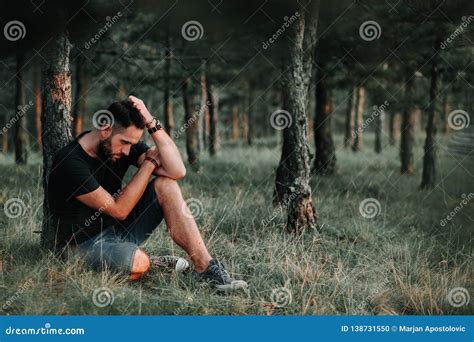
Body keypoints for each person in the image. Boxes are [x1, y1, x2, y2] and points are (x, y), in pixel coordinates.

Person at [47, 95, 247, 291]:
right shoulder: (70, 162)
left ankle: (206, 269)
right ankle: (150, 262)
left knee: (166, 185)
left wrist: (152, 122)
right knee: (140, 264)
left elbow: (177, 171)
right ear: (105, 129)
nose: (127, 151)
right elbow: (119, 210)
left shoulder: (121, 145)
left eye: (132, 145)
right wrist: (149, 163)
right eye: (125, 143)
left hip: (116, 232)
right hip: (82, 247)